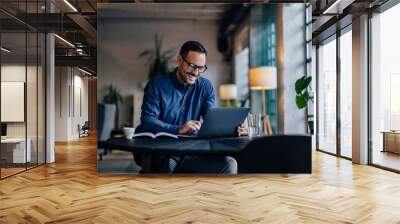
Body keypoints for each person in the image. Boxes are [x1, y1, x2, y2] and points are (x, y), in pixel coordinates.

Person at [135, 40, 245, 174]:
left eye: (201, 68)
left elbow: (211, 122)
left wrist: (230, 129)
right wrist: (178, 129)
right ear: (179, 60)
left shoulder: (205, 87)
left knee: (229, 164)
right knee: (168, 164)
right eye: (192, 66)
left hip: (192, 151)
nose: (196, 73)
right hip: (163, 151)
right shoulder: (156, 85)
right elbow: (148, 121)